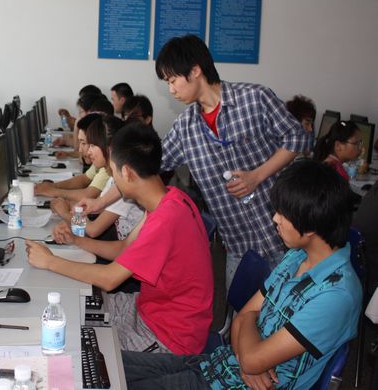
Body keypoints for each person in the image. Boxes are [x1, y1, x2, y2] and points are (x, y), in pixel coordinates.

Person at [80, 35, 310, 289]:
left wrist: (257, 176)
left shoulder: (254, 99)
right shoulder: (186, 127)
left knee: (291, 309)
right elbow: (141, 167)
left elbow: (298, 137)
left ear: (195, 71)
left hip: (288, 238)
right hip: (239, 245)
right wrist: (100, 202)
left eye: (173, 80)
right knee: (243, 311)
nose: (171, 90)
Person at [121, 160, 362, 390]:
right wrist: (247, 357)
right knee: (114, 365)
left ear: (310, 227)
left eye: (283, 214)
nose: (275, 219)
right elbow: (242, 320)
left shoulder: (336, 295)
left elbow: (250, 343)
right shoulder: (297, 256)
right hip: (219, 365)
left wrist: (249, 349)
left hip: (228, 382)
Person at [27, 124, 213, 355]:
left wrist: (50, 261)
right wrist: (77, 241)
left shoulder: (166, 220)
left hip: (168, 335)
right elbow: (124, 249)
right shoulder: (169, 199)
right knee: (69, 308)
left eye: (113, 172)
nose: (113, 180)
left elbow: (109, 279)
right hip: (147, 308)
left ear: (126, 173)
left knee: (75, 348)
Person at [51, 116, 144, 241]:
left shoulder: (125, 182)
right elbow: (97, 209)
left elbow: (93, 230)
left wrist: (65, 213)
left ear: (109, 148)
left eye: (93, 145)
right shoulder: (113, 179)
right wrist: (72, 209)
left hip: (117, 247)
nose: (88, 151)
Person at [35, 114, 110, 202]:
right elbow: (84, 179)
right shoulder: (100, 161)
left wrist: (53, 191)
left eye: (83, 143)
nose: (80, 150)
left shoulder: (107, 166)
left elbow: (88, 195)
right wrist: (53, 186)